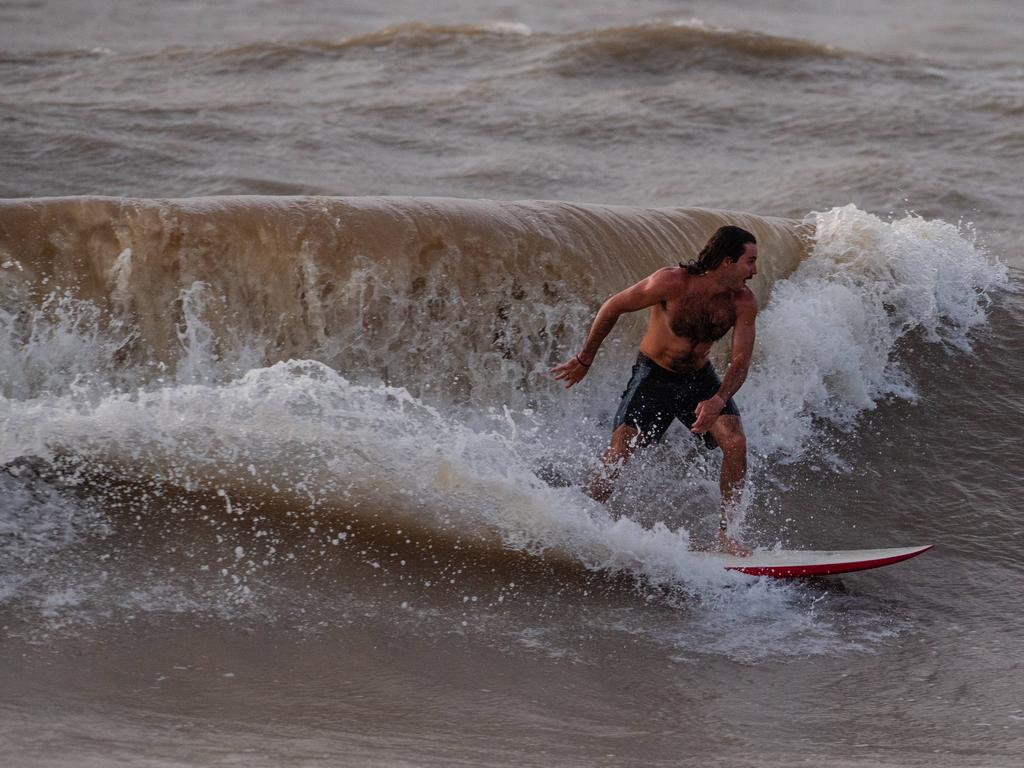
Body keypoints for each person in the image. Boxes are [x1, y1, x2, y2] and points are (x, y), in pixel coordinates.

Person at [550, 225, 759, 556]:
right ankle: (573, 520)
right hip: (653, 376)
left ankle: (727, 534)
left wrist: (717, 400)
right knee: (620, 454)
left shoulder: (742, 302)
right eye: (749, 262)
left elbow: (740, 361)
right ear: (726, 261)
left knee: (736, 442)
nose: (754, 270)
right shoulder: (671, 282)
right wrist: (585, 357)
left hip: (699, 379)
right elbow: (613, 306)